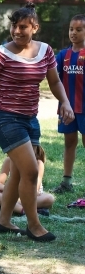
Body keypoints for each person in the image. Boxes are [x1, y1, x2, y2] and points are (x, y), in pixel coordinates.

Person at [0, 3, 74, 242]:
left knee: (19, 174)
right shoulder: (0, 53)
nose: (17, 31)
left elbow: (54, 81)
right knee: (30, 172)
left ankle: (3, 221)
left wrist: (65, 102)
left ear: (34, 27)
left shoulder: (45, 51)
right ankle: (34, 225)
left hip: (30, 120)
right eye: (14, 26)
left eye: (23, 27)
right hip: (5, 119)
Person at [51, 14, 85, 194]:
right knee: (69, 143)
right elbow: (53, 78)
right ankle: (66, 182)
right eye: (72, 29)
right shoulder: (63, 55)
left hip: (84, 109)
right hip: (67, 109)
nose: (74, 33)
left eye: (79, 30)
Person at [0, 149, 54, 216]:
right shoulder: (9, 160)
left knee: (49, 199)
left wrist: (20, 193)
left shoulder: (38, 163)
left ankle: (4, 205)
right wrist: (11, 190)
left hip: (29, 197)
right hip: (10, 194)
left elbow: (35, 190)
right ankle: (23, 210)